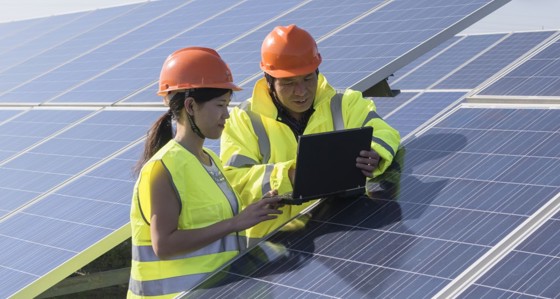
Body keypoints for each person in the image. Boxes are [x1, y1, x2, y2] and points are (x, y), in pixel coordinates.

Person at [220, 24, 401, 245]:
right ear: (269, 81)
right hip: (277, 244)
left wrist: (376, 153)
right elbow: (233, 182)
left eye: (308, 79)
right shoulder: (244, 119)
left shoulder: (345, 103)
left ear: (317, 72)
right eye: (289, 83)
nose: (301, 91)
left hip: (344, 229)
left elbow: (385, 132)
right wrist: (289, 177)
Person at [128, 47, 282, 299]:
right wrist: (236, 222)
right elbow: (164, 245)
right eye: (221, 105)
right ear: (190, 106)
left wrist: (254, 210)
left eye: (228, 105)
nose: (227, 114)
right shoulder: (162, 168)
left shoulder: (211, 161)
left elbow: (218, 224)